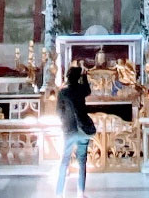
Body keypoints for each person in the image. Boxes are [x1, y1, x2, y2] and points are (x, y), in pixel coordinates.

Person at [56, 65, 96, 197]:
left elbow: (58, 111)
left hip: (70, 129)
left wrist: (64, 122)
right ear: (77, 78)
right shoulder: (81, 90)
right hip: (83, 129)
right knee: (82, 161)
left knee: (65, 161)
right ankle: (81, 192)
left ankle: (59, 193)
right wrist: (84, 76)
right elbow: (88, 90)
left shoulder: (63, 92)